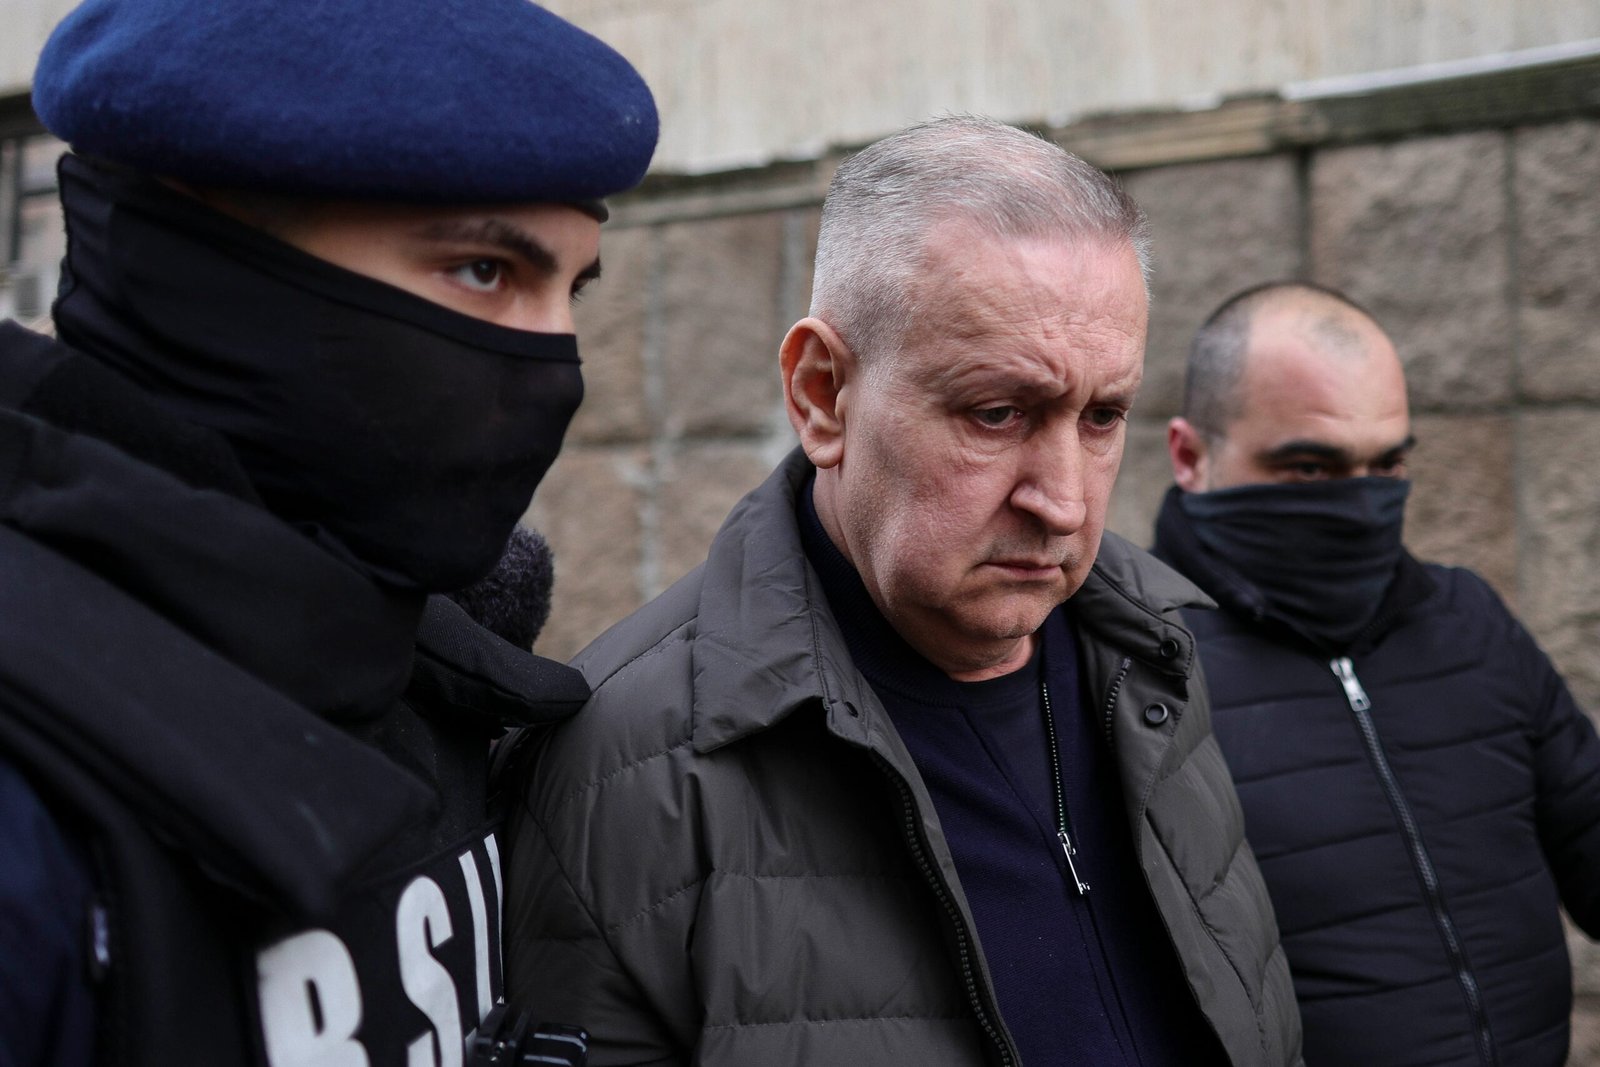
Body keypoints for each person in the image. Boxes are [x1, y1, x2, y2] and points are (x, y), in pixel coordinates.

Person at [500, 116, 1303, 1067]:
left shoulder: (1156, 657)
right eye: (996, 412)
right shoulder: (619, 771)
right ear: (822, 394)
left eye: (1102, 415)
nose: (1064, 499)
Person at [0, 0, 656, 1063]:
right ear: (204, 270)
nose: (556, 365)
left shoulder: (427, 662)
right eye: (485, 270)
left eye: (571, 289)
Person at [1152, 281, 1600, 1066]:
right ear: (1190, 455)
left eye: (1386, 463)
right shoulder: (1143, 677)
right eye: (1311, 468)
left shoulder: (1470, 624)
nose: (1360, 504)